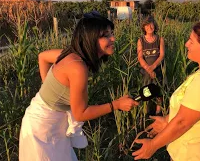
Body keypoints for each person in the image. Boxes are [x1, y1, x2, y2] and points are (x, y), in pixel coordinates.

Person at [19, 12, 139, 161]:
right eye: (106, 35)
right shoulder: (77, 67)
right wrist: (116, 104)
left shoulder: (70, 54)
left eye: (112, 33)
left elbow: (42, 56)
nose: (113, 38)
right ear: (91, 39)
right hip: (41, 128)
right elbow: (81, 113)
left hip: (54, 122)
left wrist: (48, 88)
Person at [132, 21, 200, 161]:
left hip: (196, 155)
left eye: (191, 41)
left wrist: (152, 145)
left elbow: (182, 122)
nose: (186, 44)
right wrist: (167, 120)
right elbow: (193, 112)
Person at [137, 16, 165, 116]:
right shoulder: (141, 40)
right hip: (145, 70)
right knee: (146, 89)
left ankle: (158, 111)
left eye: (151, 24)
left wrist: (153, 67)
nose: (150, 27)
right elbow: (140, 57)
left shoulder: (160, 39)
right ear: (144, 28)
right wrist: (148, 69)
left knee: (159, 89)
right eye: (147, 25)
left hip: (157, 69)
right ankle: (147, 111)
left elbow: (161, 55)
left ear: (155, 26)